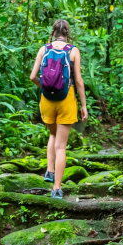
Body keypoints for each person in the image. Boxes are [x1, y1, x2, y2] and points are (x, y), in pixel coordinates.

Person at [30, 19, 87, 199]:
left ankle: (49, 170)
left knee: (52, 135)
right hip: (66, 99)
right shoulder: (73, 51)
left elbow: (32, 76)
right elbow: (78, 80)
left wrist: (44, 87)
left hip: (46, 100)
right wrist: (84, 105)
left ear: (53, 32)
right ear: (67, 33)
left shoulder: (43, 49)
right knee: (61, 146)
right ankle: (56, 189)